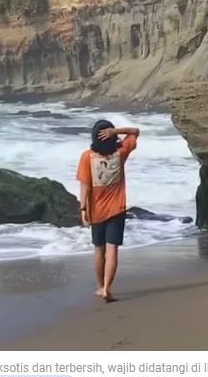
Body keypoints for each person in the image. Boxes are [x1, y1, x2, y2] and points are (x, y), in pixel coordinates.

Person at [76, 119, 139, 302]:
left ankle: (100, 287)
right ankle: (107, 288)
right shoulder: (120, 153)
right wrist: (116, 131)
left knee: (99, 250)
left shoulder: (87, 156)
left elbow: (85, 186)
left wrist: (83, 209)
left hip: (96, 211)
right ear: (112, 137)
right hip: (117, 210)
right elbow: (135, 132)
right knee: (113, 250)